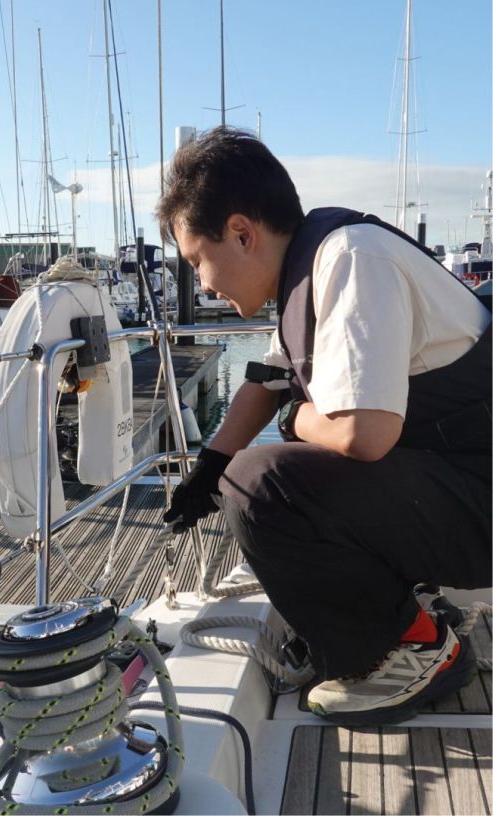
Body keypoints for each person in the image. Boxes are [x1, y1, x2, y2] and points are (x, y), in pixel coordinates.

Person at [157, 127, 491, 726]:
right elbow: (267, 379)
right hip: (462, 486)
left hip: (482, 504)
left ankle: (415, 650)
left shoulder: (352, 258)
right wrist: (208, 469)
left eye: (197, 262)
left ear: (241, 232)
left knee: (259, 484)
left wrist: (298, 420)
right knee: (241, 472)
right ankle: (415, 617)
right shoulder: (311, 270)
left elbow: (365, 434)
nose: (202, 284)